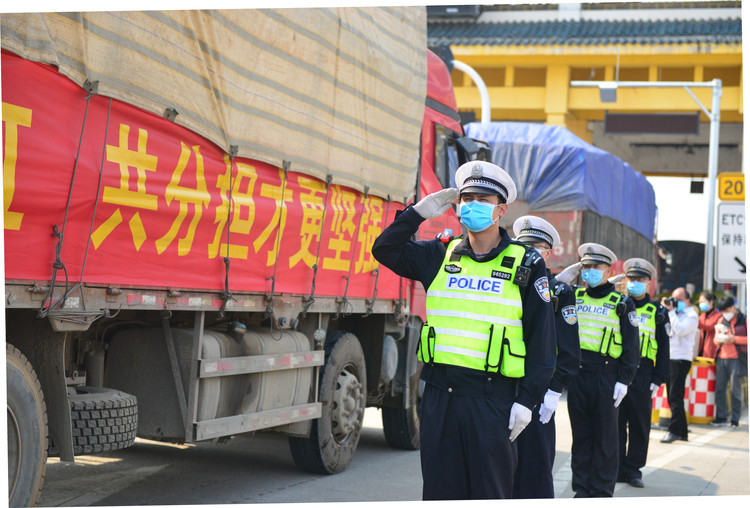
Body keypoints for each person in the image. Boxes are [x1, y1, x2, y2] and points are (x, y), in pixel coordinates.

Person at [371, 161, 556, 500]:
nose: (472, 205)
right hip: (440, 396)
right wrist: (416, 214)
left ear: (501, 209)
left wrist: (527, 401)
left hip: (494, 401)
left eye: (482, 199)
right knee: (441, 494)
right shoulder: (440, 254)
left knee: (489, 494)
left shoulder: (527, 263)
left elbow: (542, 341)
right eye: (467, 197)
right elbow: (384, 249)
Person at [558, 244, 640, 497]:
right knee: (581, 436)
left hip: (607, 376)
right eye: (586, 267)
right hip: (579, 375)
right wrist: (566, 274)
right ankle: (581, 488)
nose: (590, 271)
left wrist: (624, 380)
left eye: (596, 267)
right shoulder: (574, 296)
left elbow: (631, 347)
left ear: (609, 271)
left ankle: (602, 491)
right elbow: (551, 290)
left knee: (605, 439)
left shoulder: (622, 303)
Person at [511, 216, 581, 499]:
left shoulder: (560, 292)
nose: (528, 252)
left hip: (539, 391)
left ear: (548, 253)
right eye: (523, 245)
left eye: (536, 247)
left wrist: (554, 391)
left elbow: (569, 351)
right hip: (504, 384)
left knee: (534, 469)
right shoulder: (506, 281)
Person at [616, 258, 670, 488]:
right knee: (616, 424)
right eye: (631, 279)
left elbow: (665, 347)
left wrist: (659, 378)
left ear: (649, 283)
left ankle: (633, 469)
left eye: (640, 280)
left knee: (639, 424)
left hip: (643, 375)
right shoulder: (618, 304)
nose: (635, 283)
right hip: (618, 373)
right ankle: (617, 467)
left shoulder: (657, 311)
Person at [660, 287, 699, 443]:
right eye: (673, 298)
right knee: (673, 395)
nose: (675, 302)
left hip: (681, 359)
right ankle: (682, 432)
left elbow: (680, 330)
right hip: (671, 357)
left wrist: (670, 312)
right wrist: (664, 309)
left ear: (687, 300)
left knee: (675, 396)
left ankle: (674, 431)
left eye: (678, 299)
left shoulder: (691, 315)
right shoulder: (675, 313)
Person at [709, 296, 747, 429]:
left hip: (736, 358)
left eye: (727, 310)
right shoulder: (721, 320)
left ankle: (735, 419)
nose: (726, 313)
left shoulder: (744, 319)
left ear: (733, 307)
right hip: (721, 358)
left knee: (735, 390)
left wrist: (734, 339)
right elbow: (715, 340)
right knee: (720, 389)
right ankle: (721, 417)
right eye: (723, 311)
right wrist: (719, 339)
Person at [697, 291, 722, 359]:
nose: (701, 304)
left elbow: (709, 326)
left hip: (711, 351)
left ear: (711, 302)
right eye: (700, 302)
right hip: (700, 351)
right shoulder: (702, 316)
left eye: (703, 302)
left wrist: (695, 320)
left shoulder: (718, 315)